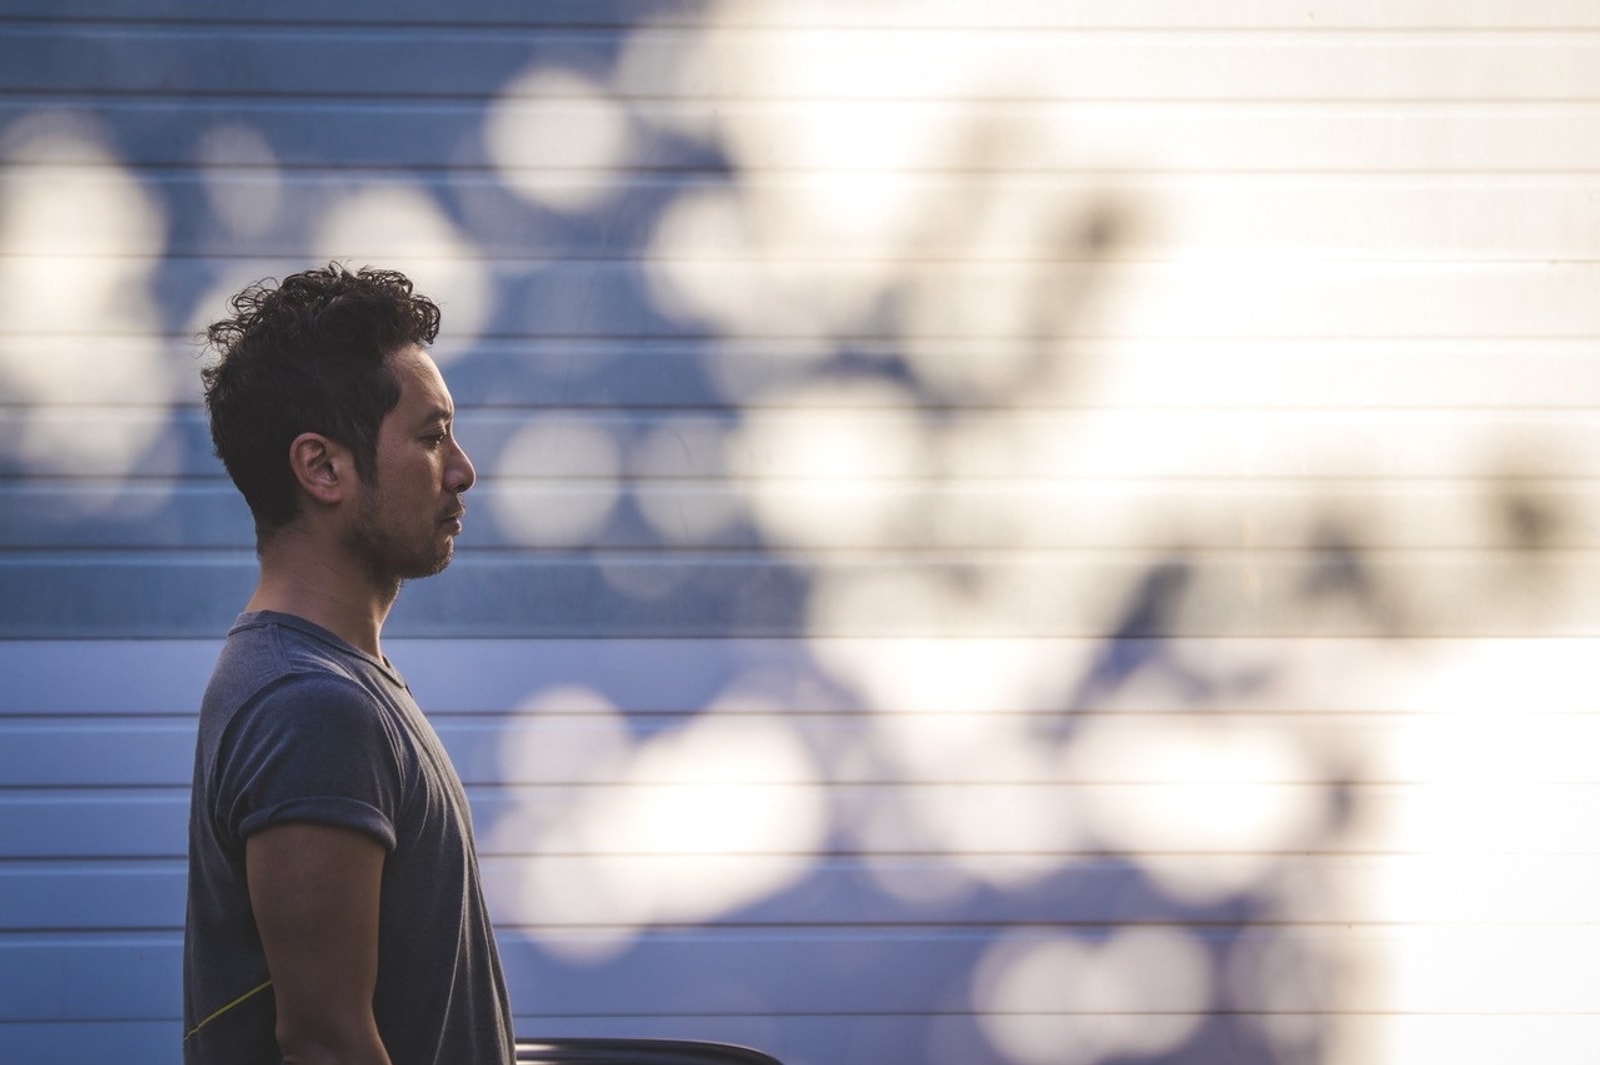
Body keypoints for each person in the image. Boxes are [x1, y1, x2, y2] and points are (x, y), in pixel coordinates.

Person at [183, 263, 514, 1065]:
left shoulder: (328, 683)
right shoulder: (309, 704)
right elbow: (327, 1044)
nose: (463, 468)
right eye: (431, 437)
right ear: (323, 467)